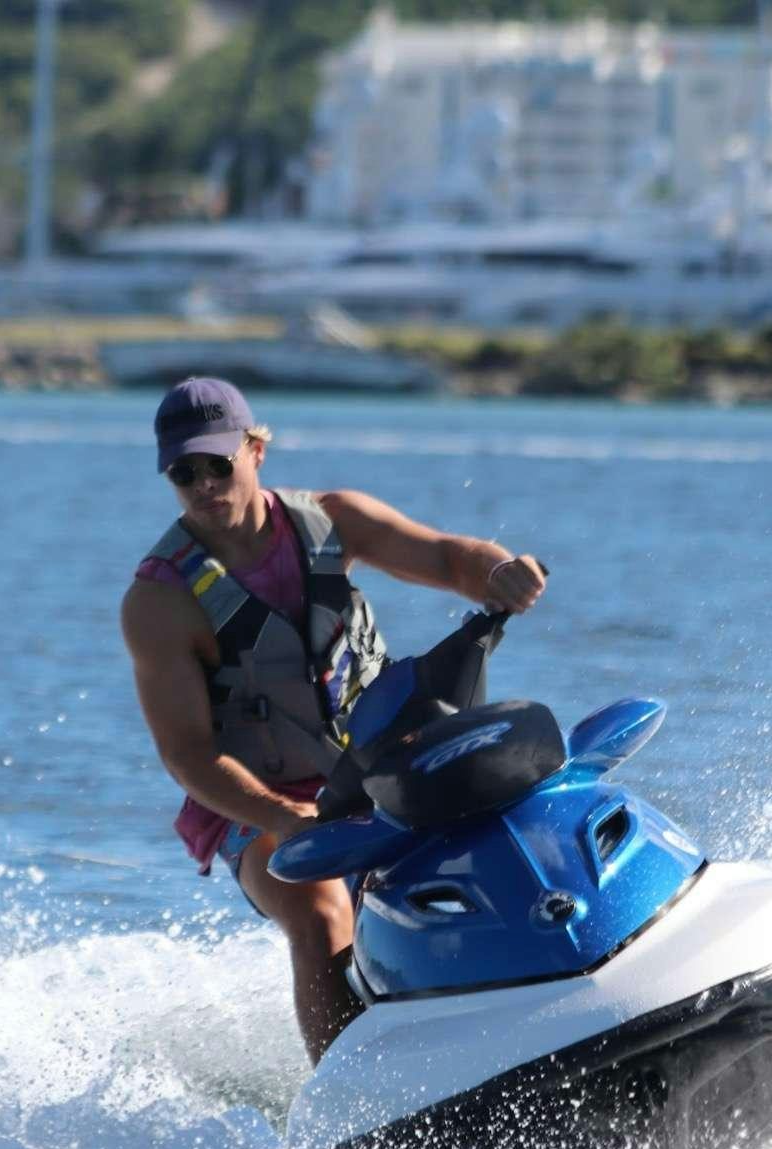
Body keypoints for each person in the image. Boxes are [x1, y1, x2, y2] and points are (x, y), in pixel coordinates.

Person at [120, 376, 546, 1064]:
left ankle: (548, 1000)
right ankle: (348, 1101)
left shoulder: (331, 521)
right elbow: (188, 755)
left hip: (377, 767)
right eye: (182, 472)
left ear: (256, 450)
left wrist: (499, 570)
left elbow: (445, 557)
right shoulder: (159, 601)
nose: (202, 484)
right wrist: (286, 820)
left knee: (504, 836)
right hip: (253, 806)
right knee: (318, 909)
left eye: (216, 464)